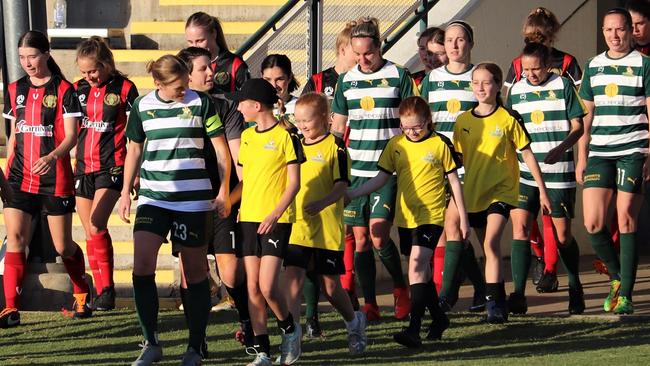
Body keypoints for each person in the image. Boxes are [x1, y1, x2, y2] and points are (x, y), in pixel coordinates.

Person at [118, 54, 232, 365]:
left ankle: (195, 346)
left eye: (185, 85)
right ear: (158, 84)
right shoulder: (141, 107)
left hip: (193, 199)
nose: (184, 91)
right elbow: (134, 150)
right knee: (142, 266)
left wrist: (223, 190)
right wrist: (125, 191)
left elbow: (221, 150)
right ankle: (151, 342)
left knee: (194, 272)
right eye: (177, 88)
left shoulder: (201, 103)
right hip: (154, 197)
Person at [348, 96, 468, 347]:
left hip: (432, 217)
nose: (412, 132)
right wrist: (352, 193)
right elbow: (381, 178)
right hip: (406, 218)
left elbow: (454, 183)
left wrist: (463, 218)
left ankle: (414, 328)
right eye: (406, 127)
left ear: (428, 121)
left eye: (418, 127)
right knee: (421, 273)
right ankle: (438, 319)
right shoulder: (395, 144)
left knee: (415, 265)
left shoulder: (439, 144)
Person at [1, 30, 91, 327]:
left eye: (33, 56)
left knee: (63, 245)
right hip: (18, 176)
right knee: (15, 239)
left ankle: (81, 289)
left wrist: (51, 156)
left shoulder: (65, 90)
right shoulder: (15, 90)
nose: (27, 63)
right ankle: (10, 309)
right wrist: (6, 172)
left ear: (46, 54)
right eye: (22, 57)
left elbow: (72, 136)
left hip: (55, 178)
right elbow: (14, 135)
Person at [454, 62, 551, 323]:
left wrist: (542, 191)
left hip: (502, 192)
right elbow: (457, 160)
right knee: (486, 250)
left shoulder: (508, 117)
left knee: (491, 243)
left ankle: (494, 305)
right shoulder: (462, 121)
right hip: (474, 193)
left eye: (486, 82)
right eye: (476, 82)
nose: (480, 88)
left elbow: (527, 154)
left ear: (498, 85)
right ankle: (496, 297)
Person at [331, 16, 412, 322]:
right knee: (361, 239)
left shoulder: (399, 75)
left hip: (386, 169)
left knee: (379, 236)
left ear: (380, 47)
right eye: (358, 54)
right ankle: (370, 304)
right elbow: (338, 130)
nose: (363, 59)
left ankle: (400, 288)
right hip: (356, 168)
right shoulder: (347, 80)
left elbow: (410, 119)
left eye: (369, 53)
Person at [176, 46, 253, 352]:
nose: (212, 73)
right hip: (186, 202)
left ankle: (247, 323)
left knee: (231, 273)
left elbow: (236, 160)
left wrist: (235, 194)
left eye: (211, 67)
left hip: (221, 201)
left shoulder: (225, 107)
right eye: (203, 69)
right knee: (189, 275)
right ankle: (198, 338)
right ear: (186, 75)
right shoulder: (173, 107)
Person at [576, 8, 650, 315]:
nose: (614, 35)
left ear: (631, 31)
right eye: (609, 30)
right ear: (603, 32)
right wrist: (582, 156)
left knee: (625, 219)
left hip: (633, 149)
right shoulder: (593, 66)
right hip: (600, 152)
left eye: (620, 29)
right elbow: (585, 116)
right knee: (593, 223)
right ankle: (618, 277)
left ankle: (627, 296)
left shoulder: (644, 64)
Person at [504, 6, 584, 288]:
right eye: (530, 37)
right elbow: (510, 118)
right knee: (522, 223)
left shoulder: (566, 69)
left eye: (542, 36)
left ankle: (557, 271)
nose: (536, 41)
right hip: (525, 164)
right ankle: (522, 286)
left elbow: (580, 116)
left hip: (557, 163)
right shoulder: (517, 70)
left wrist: (574, 151)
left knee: (557, 225)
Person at [226, 78, 304, 366]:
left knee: (269, 286)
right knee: (253, 289)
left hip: (277, 219)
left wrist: (274, 214)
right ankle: (262, 352)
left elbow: (293, 184)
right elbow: (247, 181)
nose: (238, 107)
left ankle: (289, 329)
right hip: (248, 219)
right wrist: (232, 205)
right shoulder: (247, 137)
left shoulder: (287, 136)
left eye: (241, 102)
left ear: (256, 105)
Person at [283, 92, 367, 356]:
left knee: (330, 286)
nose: (302, 126)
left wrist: (322, 203)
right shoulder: (294, 143)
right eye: (298, 121)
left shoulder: (337, 147)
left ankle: (354, 323)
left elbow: (341, 186)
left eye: (307, 121)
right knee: (293, 281)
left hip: (326, 228)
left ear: (324, 118)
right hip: (297, 226)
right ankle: (293, 337)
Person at [419, 20, 486, 312]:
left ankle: (446, 296)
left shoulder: (480, 76)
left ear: (471, 43)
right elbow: (422, 121)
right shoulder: (432, 80)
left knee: (454, 225)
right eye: (449, 40)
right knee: (450, 232)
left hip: (469, 167)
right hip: (436, 166)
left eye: (461, 40)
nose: (455, 45)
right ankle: (481, 289)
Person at [300, 20, 360, 337]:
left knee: (358, 238)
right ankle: (309, 320)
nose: (362, 56)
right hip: (317, 167)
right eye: (356, 50)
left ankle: (356, 308)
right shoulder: (321, 80)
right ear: (342, 49)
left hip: (347, 165)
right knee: (303, 259)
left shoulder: (365, 81)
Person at [73, 36, 139, 311]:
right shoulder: (77, 90)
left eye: (93, 71)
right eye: (84, 72)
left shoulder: (125, 88)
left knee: (98, 223)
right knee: (90, 230)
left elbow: (137, 131)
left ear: (107, 64)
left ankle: (107, 288)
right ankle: (100, 292)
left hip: (112, 165)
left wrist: (135, 172)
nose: (89, 77)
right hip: (82, 165)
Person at [185, 11, 250, 95]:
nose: (195, 46)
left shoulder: (234, 64)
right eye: (190, 42)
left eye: (200, 41)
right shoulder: (182, 64)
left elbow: (247, 99)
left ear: (214, 34)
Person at [261, 54, 299, 128]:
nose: (273, 85)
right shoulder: (254, 108)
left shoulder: (301, 107)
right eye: (268, 79)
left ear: (290, 77)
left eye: (279, 79)